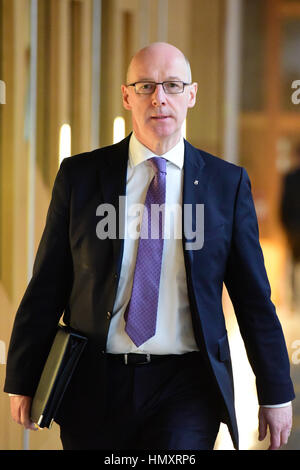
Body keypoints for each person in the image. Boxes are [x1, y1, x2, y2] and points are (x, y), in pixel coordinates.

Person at [4, 42, 294, 451]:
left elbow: (252, 298)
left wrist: (276, 391)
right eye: (145, 86)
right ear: (127, 96)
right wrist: (23, 375)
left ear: (191, 95)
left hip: (187, 386)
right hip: (94, 383)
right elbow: (48, 283)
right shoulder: (81, 177)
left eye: (172, 85)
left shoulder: (225, 185)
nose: (159, 97)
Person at [280, 143, 300, 312]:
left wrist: (287, 226)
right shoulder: (290, 177)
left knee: (293, 264)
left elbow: (284, 207)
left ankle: (294, 301)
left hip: (294, 228)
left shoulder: (290, 177)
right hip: (294, 228)